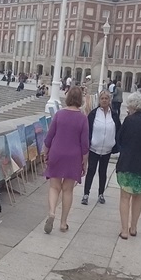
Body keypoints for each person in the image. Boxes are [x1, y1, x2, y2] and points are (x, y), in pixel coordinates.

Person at [42, 86, 89, 234]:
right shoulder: (83, 118)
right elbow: (85, 144)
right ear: (80, 99)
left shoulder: (59, 115)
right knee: (68, 190)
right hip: (73, 156)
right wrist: (84, 162)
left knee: (54, 187)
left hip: (57, 153)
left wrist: (45, 152)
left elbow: (49, 137)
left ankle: (51, 212)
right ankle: (63, 223)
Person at [115, 92, 141, 238]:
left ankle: (124, 230)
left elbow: (120, 139)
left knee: (125, 197)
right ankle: (133, 227)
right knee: (138, 196)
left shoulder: (128, 120)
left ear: (132, 106)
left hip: (127, 162)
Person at [82, 91, 121, 206]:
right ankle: (86, 194)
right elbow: (88, 129)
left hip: (107, 149)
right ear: (99, 100)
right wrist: (88, 143)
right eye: (102, 98)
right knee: (91, 170)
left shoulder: (114, 115)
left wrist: (115, 144)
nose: (104, 100)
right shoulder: (93, 114)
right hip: (94, 148)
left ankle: (101, 194)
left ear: (109, 100)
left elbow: (119, 130)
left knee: (103, 172)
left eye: (106, 98)